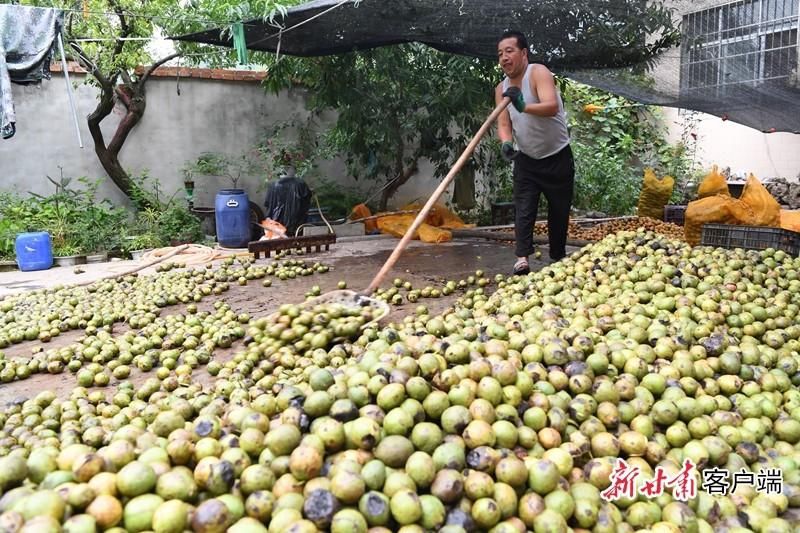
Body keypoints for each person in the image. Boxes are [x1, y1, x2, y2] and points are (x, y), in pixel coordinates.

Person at [495, 30, 575, 275]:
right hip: (527, 159)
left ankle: (558, 255)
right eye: (500, 54)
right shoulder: (501, 89)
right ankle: (522, 258)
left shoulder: (538, 72)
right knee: (524, 208)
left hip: (557, 156)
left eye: (509, 51)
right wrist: (506, 143)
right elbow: (504, 123)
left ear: (524, 53)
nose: (504, 57)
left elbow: (551, 107)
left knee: (559, 210)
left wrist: (523, 105)